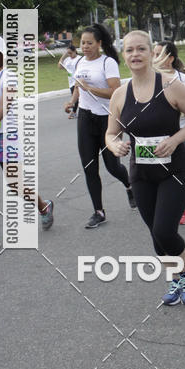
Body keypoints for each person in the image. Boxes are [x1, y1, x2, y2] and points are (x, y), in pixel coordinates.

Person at [106, 30, 185, 306]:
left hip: (175, 170)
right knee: (155, 234)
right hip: (142, 174)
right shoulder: (119, 95)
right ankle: (177, 279)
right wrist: (115, 146)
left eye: (141, 49)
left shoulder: (171, 86)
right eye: (129, 50)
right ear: (123, 55)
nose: (135, 55)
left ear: (152, 53)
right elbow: (111, 134)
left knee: (164, 230)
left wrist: (175, 140)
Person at [0, 34, 54, 254]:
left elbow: (5, 107)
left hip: (8, 135)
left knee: (15, 184)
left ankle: (43, 207)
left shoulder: (9, 76)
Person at [65, 23, 135, 227]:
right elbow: (78, 86)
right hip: (86, 119)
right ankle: (98, 212)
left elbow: (115, 91)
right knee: (89, 167)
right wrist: (72, 102)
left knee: (113, 166)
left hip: (107, 118)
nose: (85, 46)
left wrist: (91, 89)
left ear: (99, 44)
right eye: (82, 43)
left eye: (89, 43)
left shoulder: (108, 62)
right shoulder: (79, 62)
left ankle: (130, 185)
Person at [153, 40, 185, 225]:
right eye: (154, 53)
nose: (155, 58)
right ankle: (168, 204)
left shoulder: (184, 80)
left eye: (159, 54)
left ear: (171, 59)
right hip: (160, 137)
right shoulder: (150, 80)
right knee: (163, 171)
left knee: (183, 171)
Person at [59, 43, 81, 118]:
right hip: (71, 81)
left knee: (77, 97)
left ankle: (74, 112)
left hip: (78, 81)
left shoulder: (79, 59)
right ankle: (75, 111)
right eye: (68, 53)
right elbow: (60, 66)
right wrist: (63, 56)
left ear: (75, 51)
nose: (70, 55)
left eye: (71, 53)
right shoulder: (67, 60)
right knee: (76, 97)